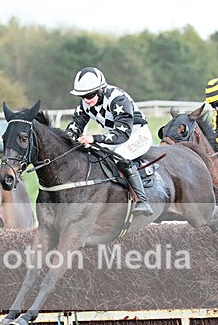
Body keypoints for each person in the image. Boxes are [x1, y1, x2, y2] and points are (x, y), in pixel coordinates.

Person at [65, 67, 154, 216]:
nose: (86, 100)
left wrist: (93, 138)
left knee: (121, 155)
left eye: (90, 95)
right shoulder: (85, 104)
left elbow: (122, 133)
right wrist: (66, 140)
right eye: (82, 96)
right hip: (114, 136)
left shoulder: (118, 99)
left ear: (101, 89)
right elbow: (74, 127)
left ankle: (142, 201)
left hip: (137, 134)